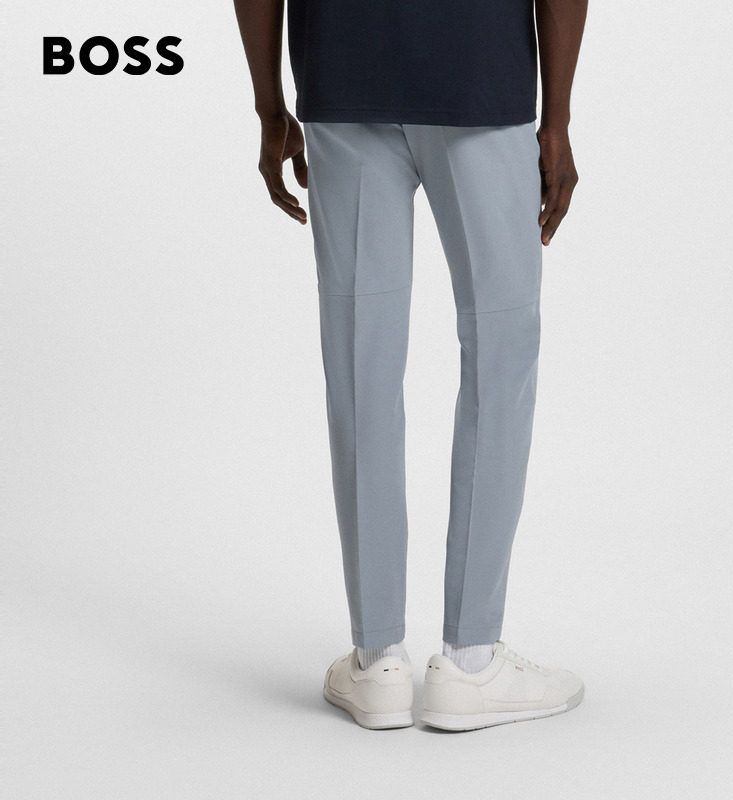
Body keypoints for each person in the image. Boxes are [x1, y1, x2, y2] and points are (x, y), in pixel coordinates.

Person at [233, 0, 588, 731]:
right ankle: (472, 661)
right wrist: (556, 119)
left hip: (344, 74)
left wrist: (270, 107)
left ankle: (377, 661)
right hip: (480, 75)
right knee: (501, 353)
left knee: (360, 360)